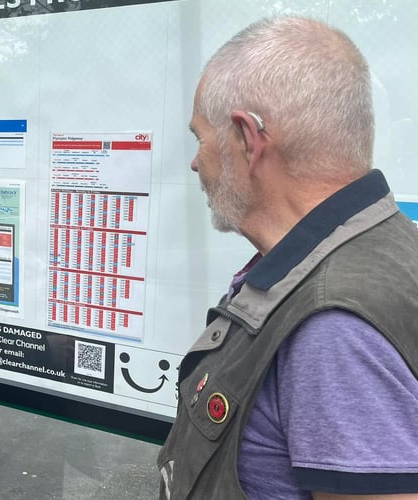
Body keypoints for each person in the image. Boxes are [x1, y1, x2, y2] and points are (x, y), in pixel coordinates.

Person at [159, 16, 418, 500]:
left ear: (246, 138)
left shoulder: (332, 328)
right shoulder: (381, 250)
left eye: (200, 138)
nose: (196, 161)